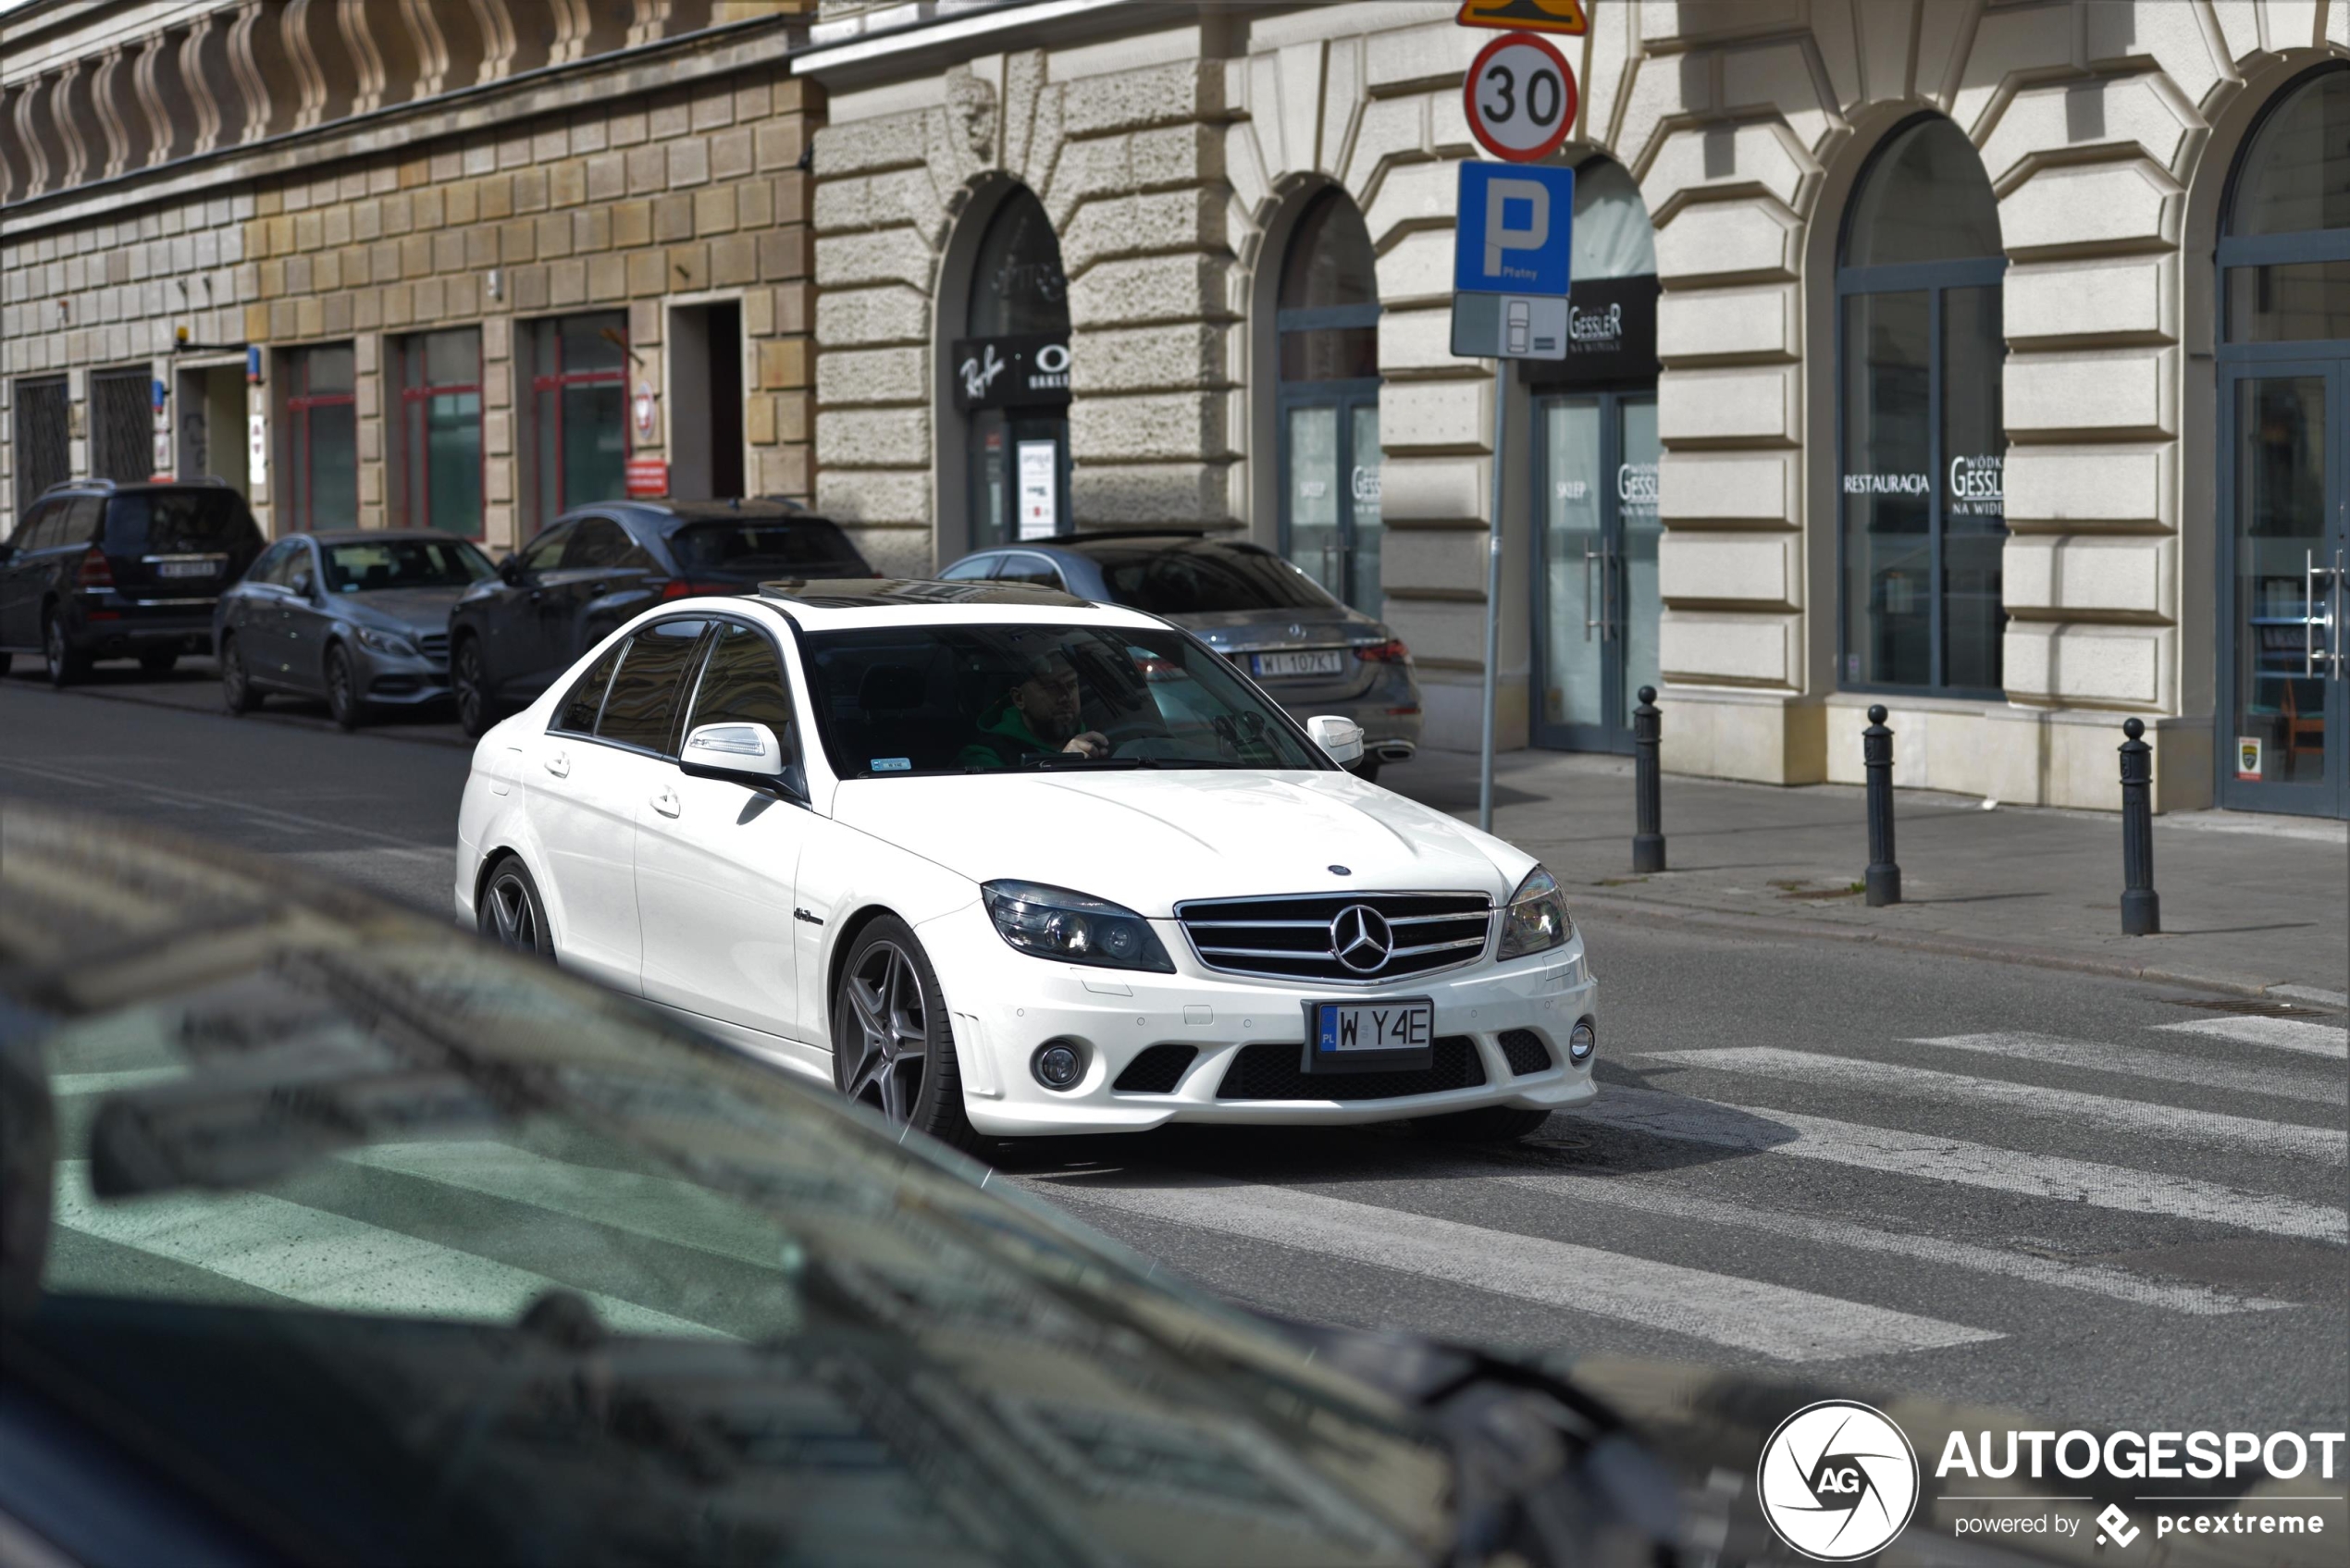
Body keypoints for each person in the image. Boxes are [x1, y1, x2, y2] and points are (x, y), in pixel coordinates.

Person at [958, 648, 1111, 768]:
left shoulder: (1108, 739)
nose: (1066, 697)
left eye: (1071, 685)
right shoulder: (985, 758)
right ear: (1019, 698)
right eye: (1051, 687)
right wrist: (1062, 764)